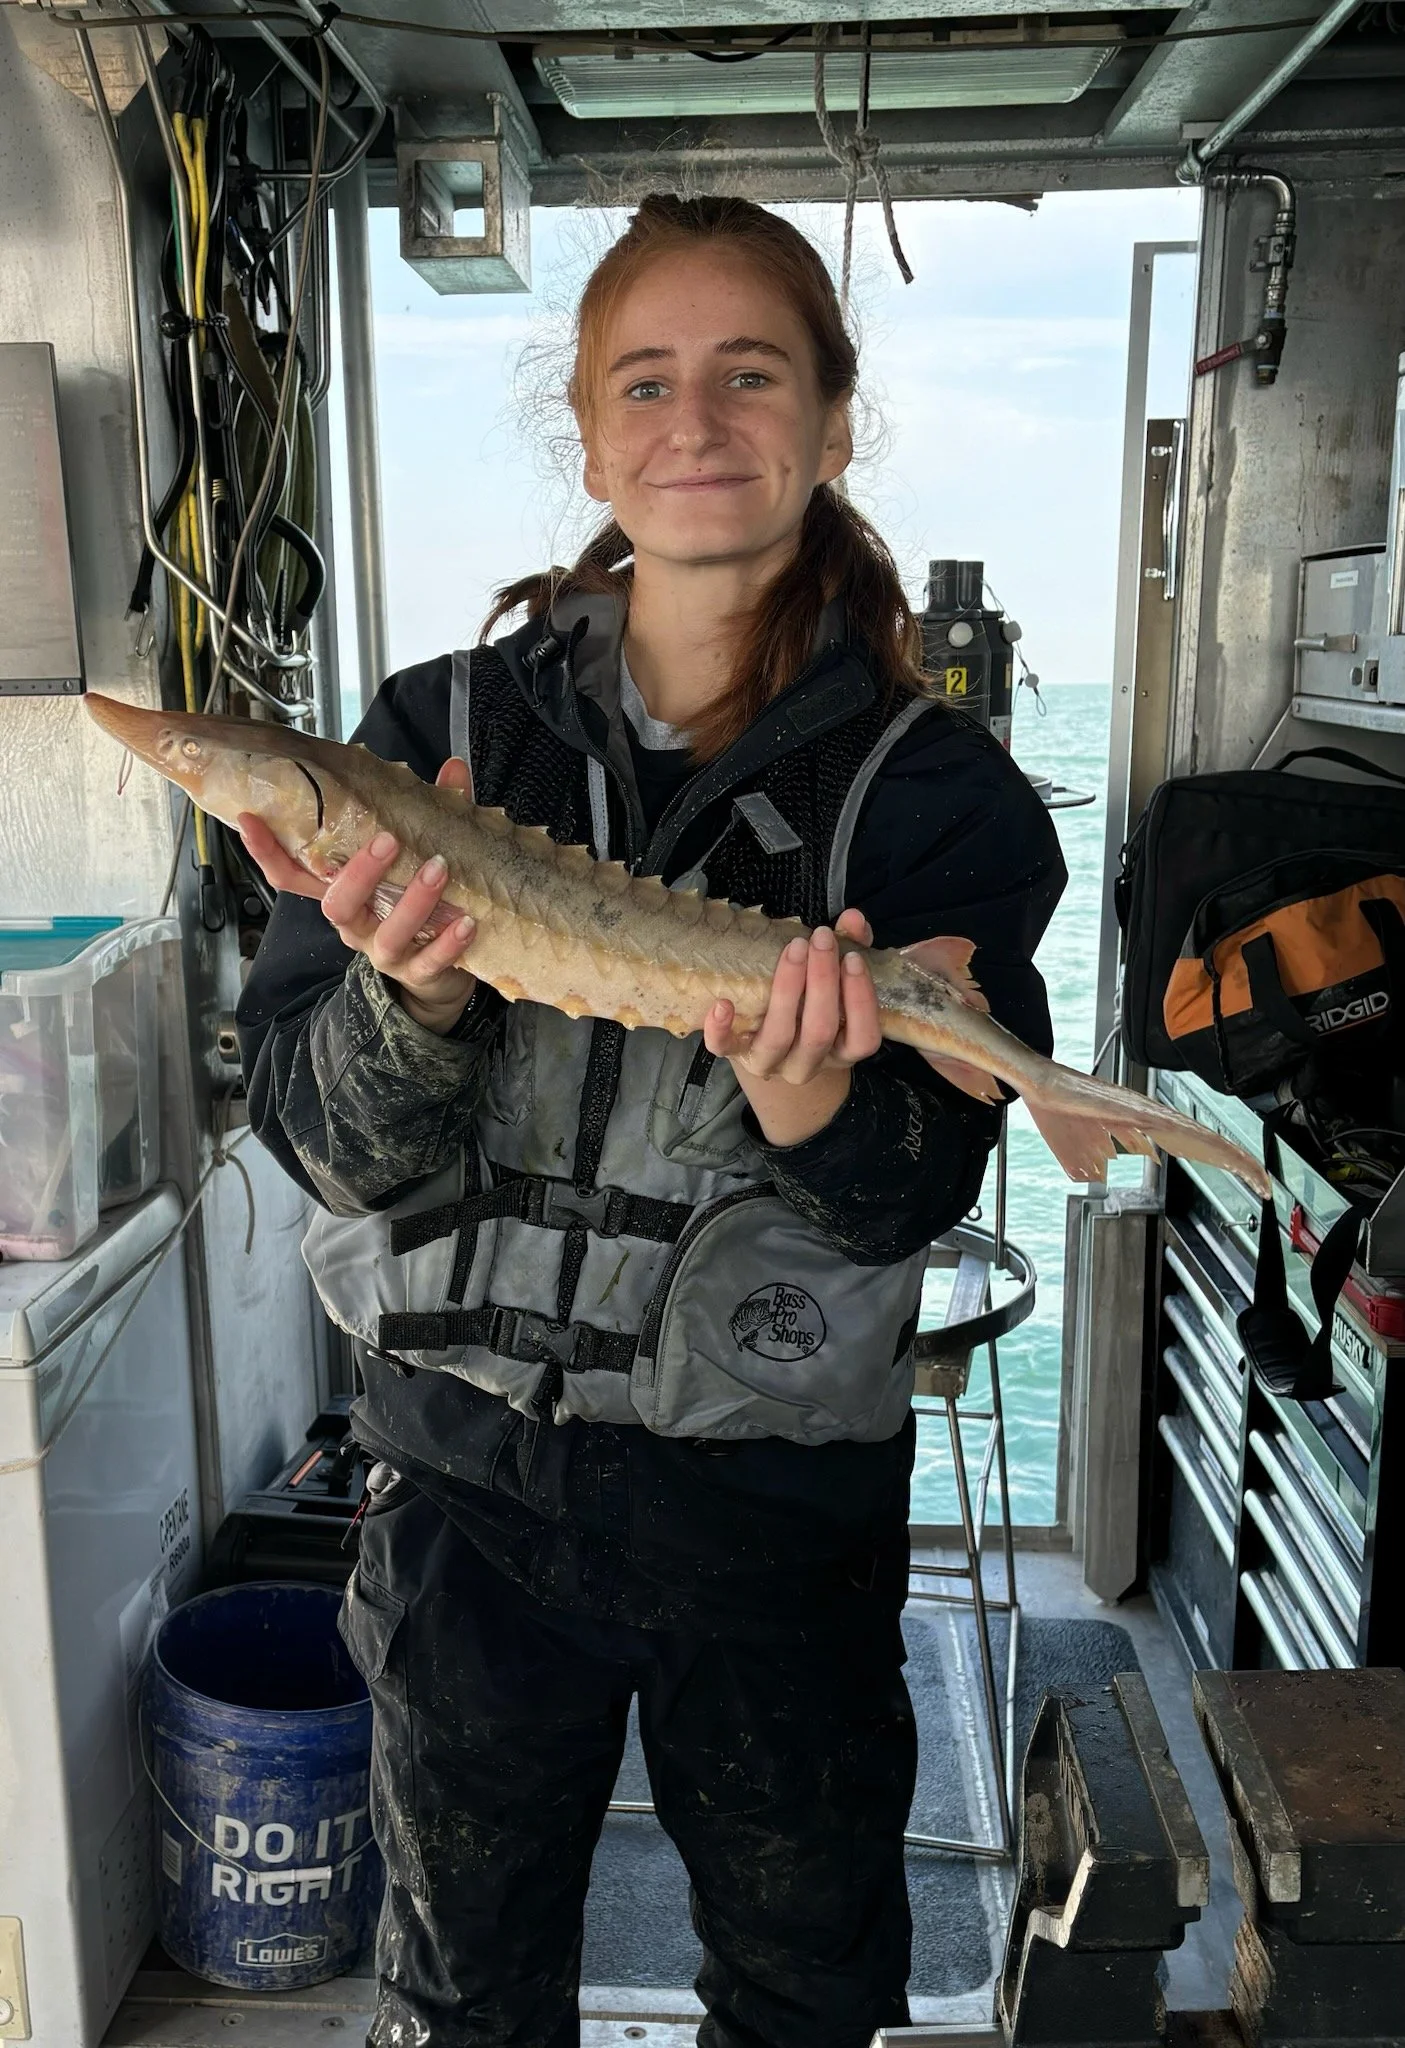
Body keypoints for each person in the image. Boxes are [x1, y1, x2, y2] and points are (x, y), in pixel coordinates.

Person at [236, 193, 1065, 2048]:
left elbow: (913, 1194)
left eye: (750, 374)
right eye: (648, 382)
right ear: (592, 438)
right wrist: (414, 995)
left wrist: (816, 1114)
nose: (698, 423)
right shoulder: (425, 737)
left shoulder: (940, 800)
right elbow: (318, 1134)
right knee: (462, 1995)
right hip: (460, 1484)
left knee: (801, 1986)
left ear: (833, 424)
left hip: (770, 1511)